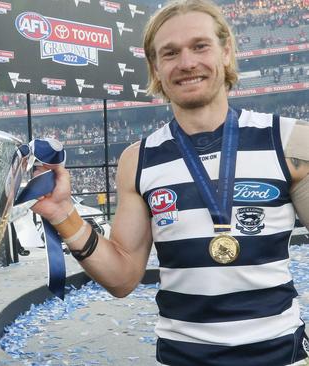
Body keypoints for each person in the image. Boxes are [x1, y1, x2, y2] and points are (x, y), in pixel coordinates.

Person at [31, 1, 309, 365]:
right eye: (170, 53)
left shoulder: (292, 140)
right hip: (182, 357)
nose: (187, 62)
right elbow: (123, 277)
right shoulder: (139, 159)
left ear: (226, 52)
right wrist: (63, 213)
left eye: (200, 46)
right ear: (156, 68)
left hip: (281, 355)